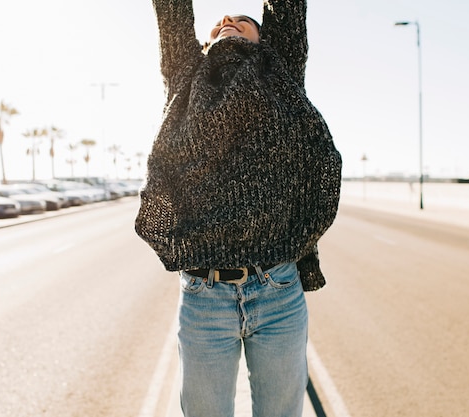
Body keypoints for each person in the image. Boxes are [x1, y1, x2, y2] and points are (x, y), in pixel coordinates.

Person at [136, 1, 342, 416]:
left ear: (265, 40)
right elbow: (172, 15)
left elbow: (287, 10)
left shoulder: (279, 70)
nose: (229, 22)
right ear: (206, 41)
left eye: (244, 22)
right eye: (220, 24)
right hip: (204, 297)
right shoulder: (186, 77)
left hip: (277, 291)